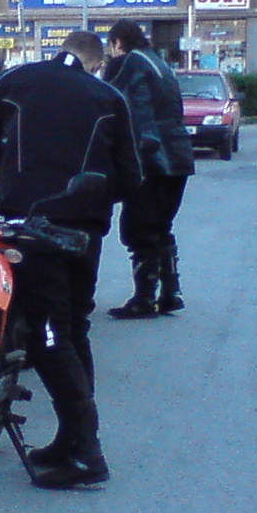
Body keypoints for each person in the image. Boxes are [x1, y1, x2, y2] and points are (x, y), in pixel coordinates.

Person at [0, 29, 141, 490]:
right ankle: (72, 438)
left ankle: (87, 453)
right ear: (96, 63)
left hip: (29, 225)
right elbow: (130, 177)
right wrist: (88, 200)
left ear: (60, 51)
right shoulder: (109, 97)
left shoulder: (16, 80)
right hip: (83, 233)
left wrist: (13, 178)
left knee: (48, 334)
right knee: (72, 329)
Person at [100, 21, 194, 318]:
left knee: (138, 229)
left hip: (149, 158)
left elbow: (108, 104)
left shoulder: (126, 64)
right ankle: (170, 292)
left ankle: (144, 298)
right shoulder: (160, 64)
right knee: (160, 226)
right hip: (178, 156)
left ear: (117, 43)